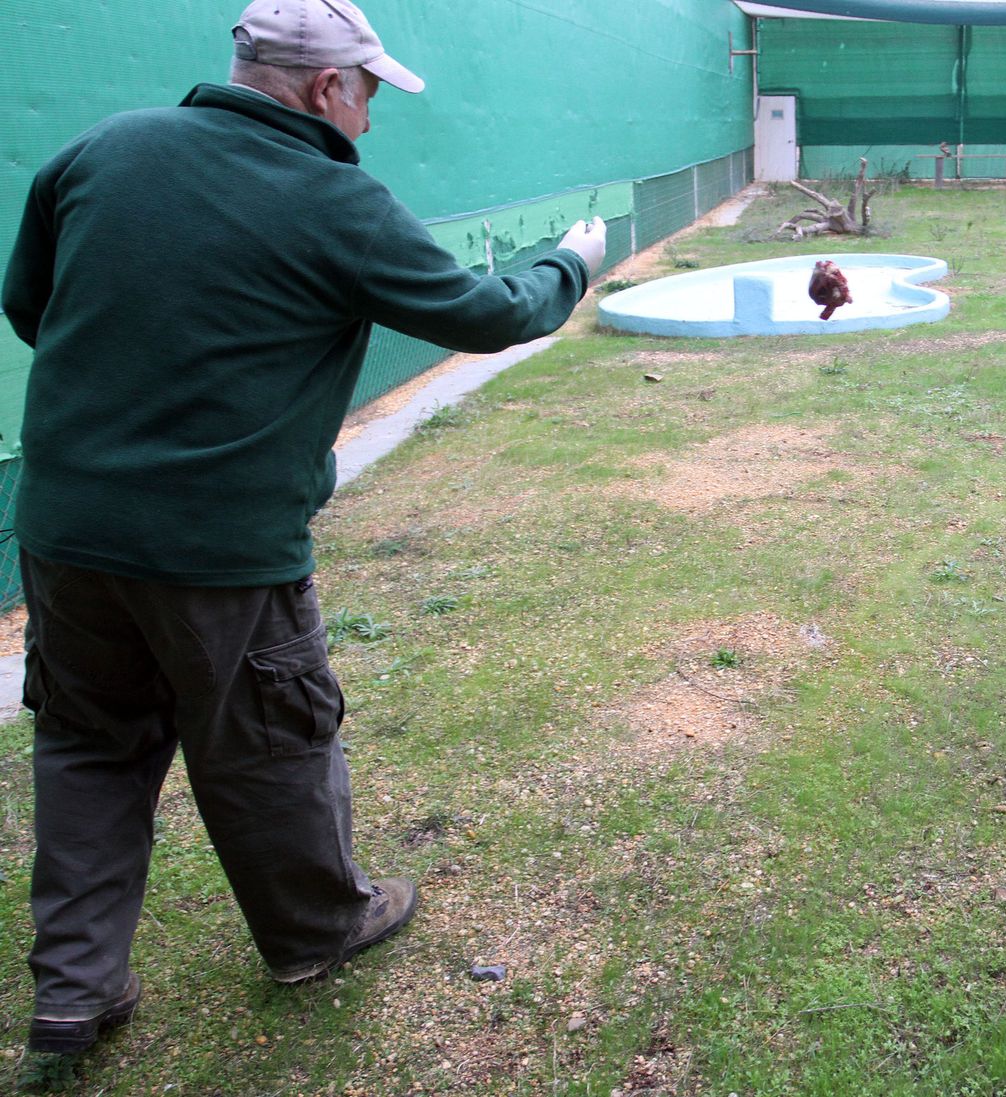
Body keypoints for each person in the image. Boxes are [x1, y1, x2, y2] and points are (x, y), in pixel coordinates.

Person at [1, 0, 607, 1062]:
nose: (370, 117)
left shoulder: (99, 150)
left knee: (90, 746)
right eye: (368, 92)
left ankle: (72, 997)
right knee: (269, 741)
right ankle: (317, 927)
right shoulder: (336, 198)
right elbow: (488, 314)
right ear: (329, 88)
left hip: (63, 529)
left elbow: (30, 307)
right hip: (221, 549)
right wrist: (570, 262)